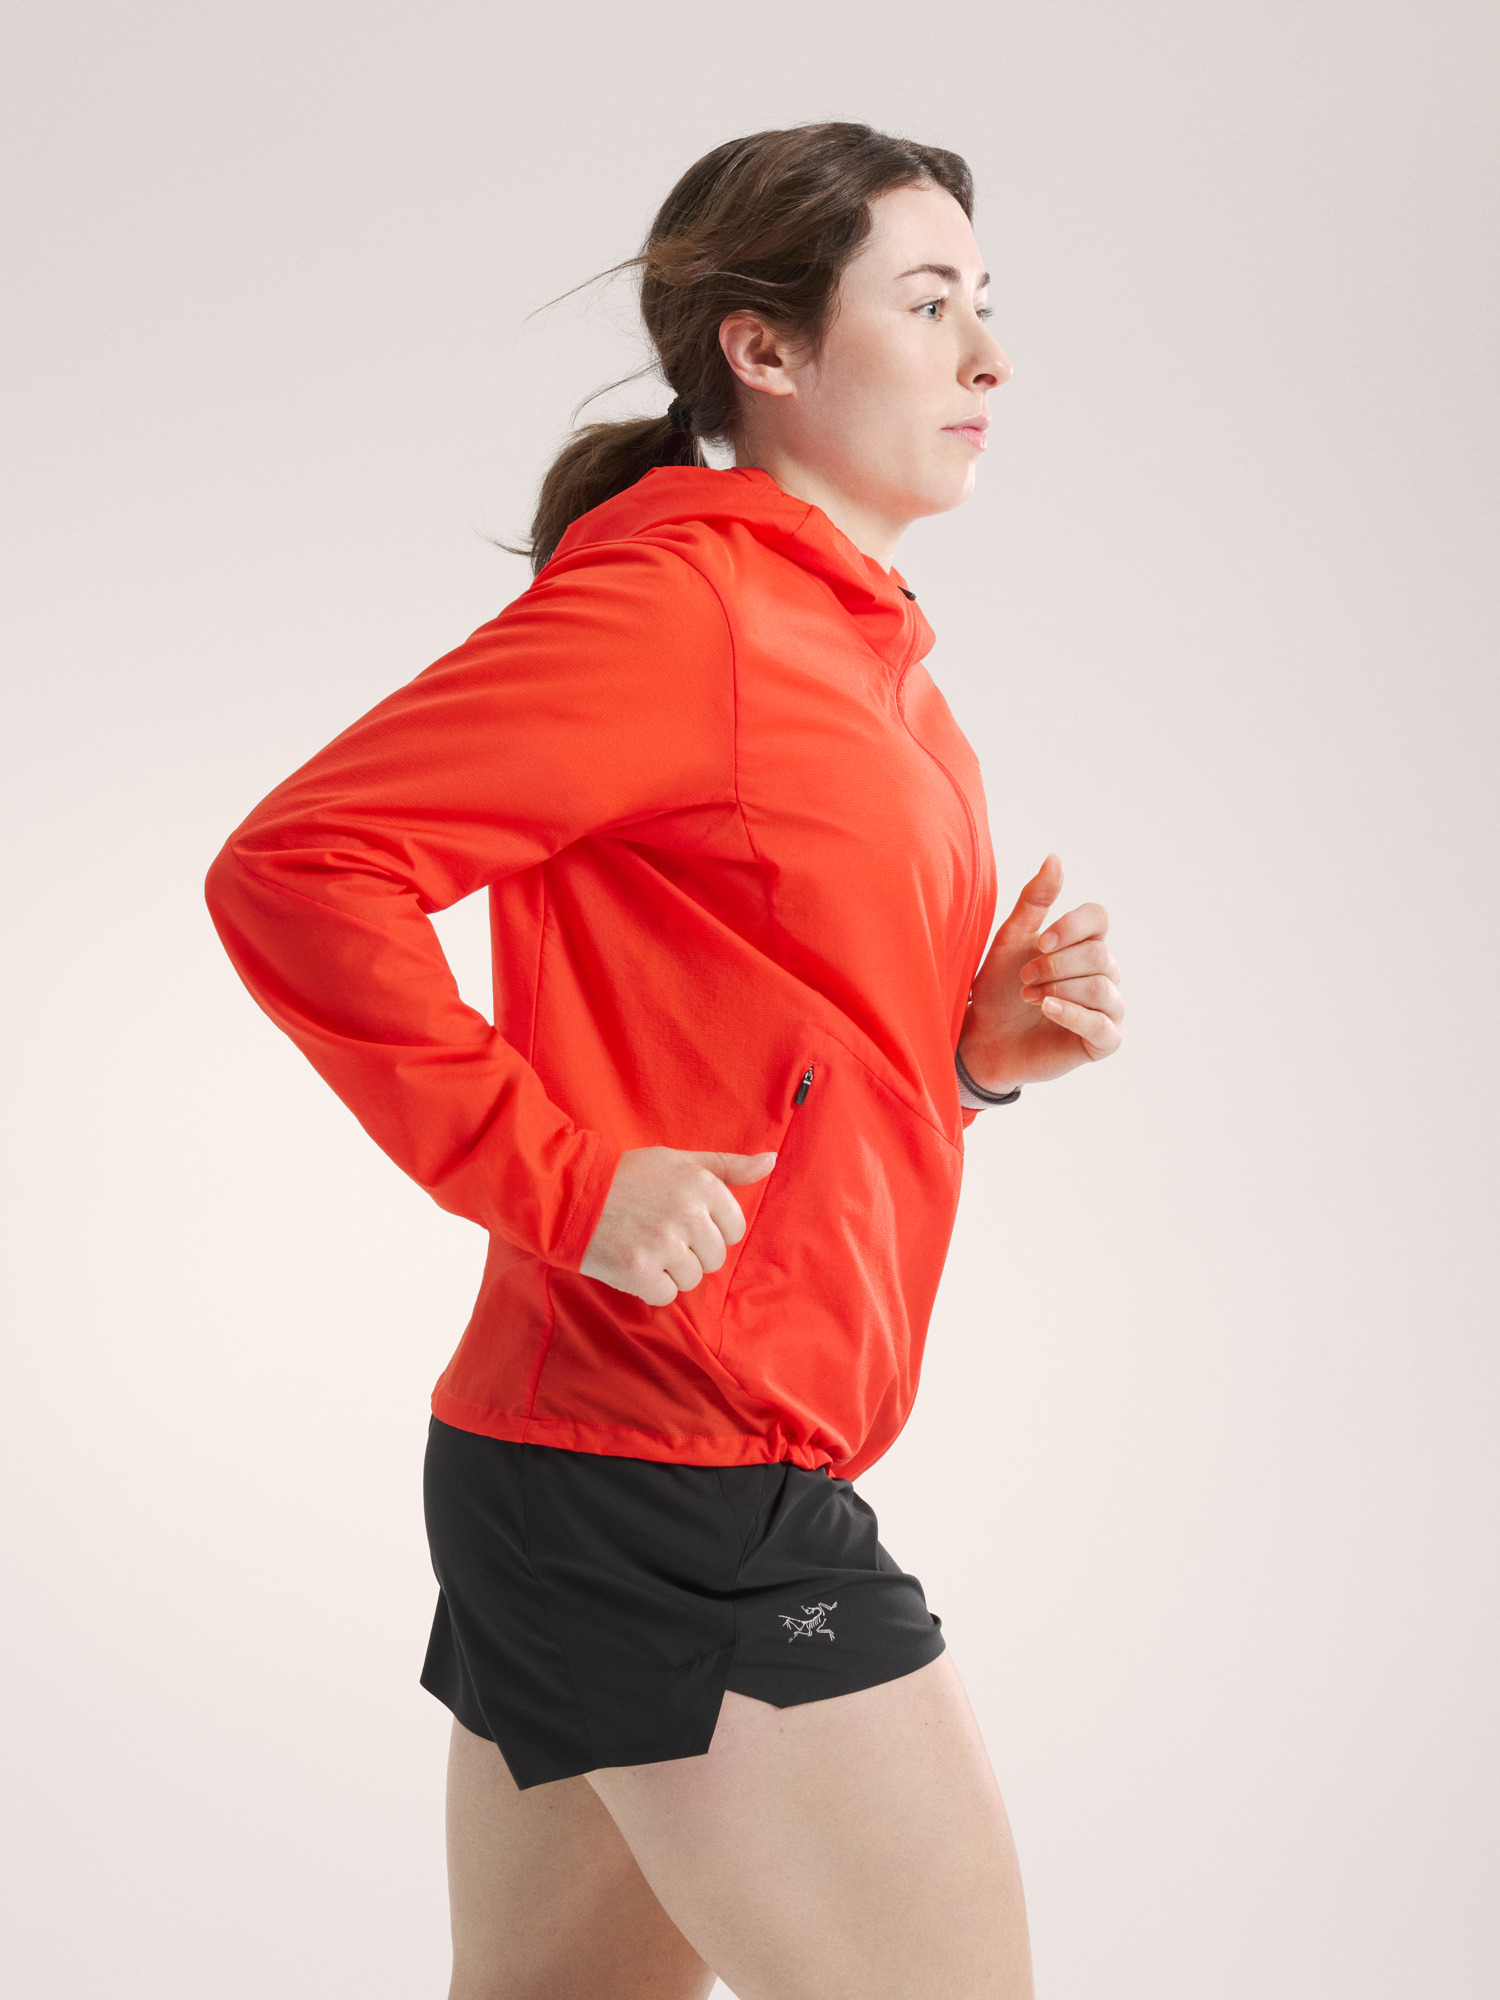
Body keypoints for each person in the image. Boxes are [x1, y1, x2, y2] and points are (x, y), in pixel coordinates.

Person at [205, 121, 1123, 2000]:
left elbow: (761, 1027)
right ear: (760, 347)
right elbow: (299, 869)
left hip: (617, 1455)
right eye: (926, 305)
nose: (987, 356)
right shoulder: (683, 608)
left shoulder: (865, 655)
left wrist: (967, 1065)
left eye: (985, 302)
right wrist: (557, 1182)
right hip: (663, 1467)